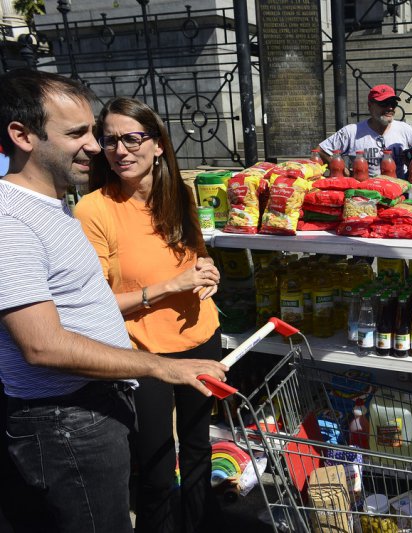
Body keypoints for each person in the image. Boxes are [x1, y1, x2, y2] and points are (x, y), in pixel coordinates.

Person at [0, 70, 227, 532]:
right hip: (69, 417)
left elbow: (83, 301)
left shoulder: (54, 206)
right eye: (81, 133)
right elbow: (41, 345)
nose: (99, 147)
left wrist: (204, 273)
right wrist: (158, 366)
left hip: (100, 400)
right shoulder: (18, 221)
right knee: (146, 487)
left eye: (96, 133)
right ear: (22, 136)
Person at [73, 97, 222, 533]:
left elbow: (197, 256)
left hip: (202, 337)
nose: (120, 150)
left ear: (158, 144)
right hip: (145, 357)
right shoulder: (94, 210)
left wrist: (207, 273)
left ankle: (200, 525)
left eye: (132, 138)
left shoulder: (180, 194)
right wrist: (167, 288)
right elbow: (95, 305)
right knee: (156, 470)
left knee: (199, 452)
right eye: (111, 140)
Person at [317, 84, 412, 179]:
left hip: (399, 193)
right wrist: (343, 170)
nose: (390, 108)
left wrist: (411, 163)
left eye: (393, 104)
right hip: (365, 194)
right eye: (384, 103)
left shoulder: (405, 129)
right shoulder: (351, 131)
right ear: (370, 106)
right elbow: (320, 150)